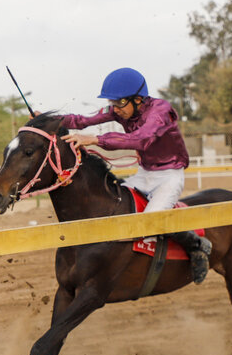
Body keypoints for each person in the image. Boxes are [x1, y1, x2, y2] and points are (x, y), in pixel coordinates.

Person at [60, 67, 212, 284]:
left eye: (119, 103)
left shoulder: (161, 111)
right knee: (116, 205)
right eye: (113, 103)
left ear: (138, 99)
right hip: (144, 174)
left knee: (149, 223)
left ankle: (197, 245)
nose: (116, 109)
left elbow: (141, 140)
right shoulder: (122, 108)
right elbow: (83, 120)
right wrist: (50, 120)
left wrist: (95, 140)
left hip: (169, 177)